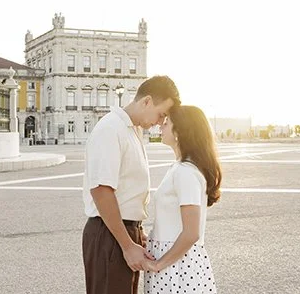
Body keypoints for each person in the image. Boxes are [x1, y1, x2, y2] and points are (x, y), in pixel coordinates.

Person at [82, 75, 180, 294]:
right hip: (109, 234)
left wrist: (137, 232)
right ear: (146, 101)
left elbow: (126, 190)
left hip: (123, 231)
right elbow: (101, 190)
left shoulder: (132, 130)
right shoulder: (111, 128)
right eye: (161, 113)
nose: (160, 121)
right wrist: (126, 244)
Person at [143, 105, 221, 292]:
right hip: (173, 260)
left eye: (167, 122)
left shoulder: (185, 172)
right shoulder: (180, 168)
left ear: (180, 132)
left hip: (178, 266)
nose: (160, 125)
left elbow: (191, 232)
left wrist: (158, 265)